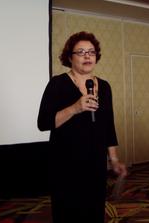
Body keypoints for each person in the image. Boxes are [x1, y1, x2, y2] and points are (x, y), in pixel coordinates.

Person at [37, 31, 127, 223]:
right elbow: (43, 123)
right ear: (70, 57)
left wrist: (113, 159)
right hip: (65, 161)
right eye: (81, 52)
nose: (87, 56)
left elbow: (108, 125)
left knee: (93, 210)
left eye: (91, 52)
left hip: (95, 161)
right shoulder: (57, 84)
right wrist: (75, 108)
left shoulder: (104, 86)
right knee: (68, 211)